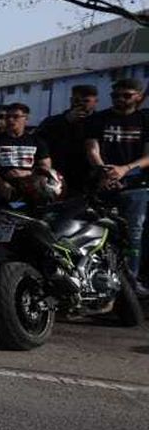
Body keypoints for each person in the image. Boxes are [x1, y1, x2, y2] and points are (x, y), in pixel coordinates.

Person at [84, 78, 149, 292]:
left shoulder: (144, 119)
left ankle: (130, 281)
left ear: (138, 96)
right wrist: (104, 171)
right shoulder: (99, 119)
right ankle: (97, 281)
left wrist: (125, 169)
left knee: (133, 234)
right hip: (103, 184)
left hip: (135, 186)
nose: (120, 99)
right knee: (97, 232)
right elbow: (92, 149)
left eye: (126, 95)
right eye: (115, 96)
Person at [0, 102, 54, 203]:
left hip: (30, 191)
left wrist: (28, 173)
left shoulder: (37, 141)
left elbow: (46, 168)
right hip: (0, 191)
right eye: (8, 117)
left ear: (26, 118)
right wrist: (1, 183)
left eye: (16, 117)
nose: (11, 120)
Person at [37, 84, 99, 195]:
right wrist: (65, 122)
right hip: (62, 174)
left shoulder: (101, 121)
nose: (81, 105)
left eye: (86, 101)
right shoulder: (53, 121)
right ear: (71, 100)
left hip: (91, 175)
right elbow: (39, 140)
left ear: (95, 102)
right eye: (77, 101)